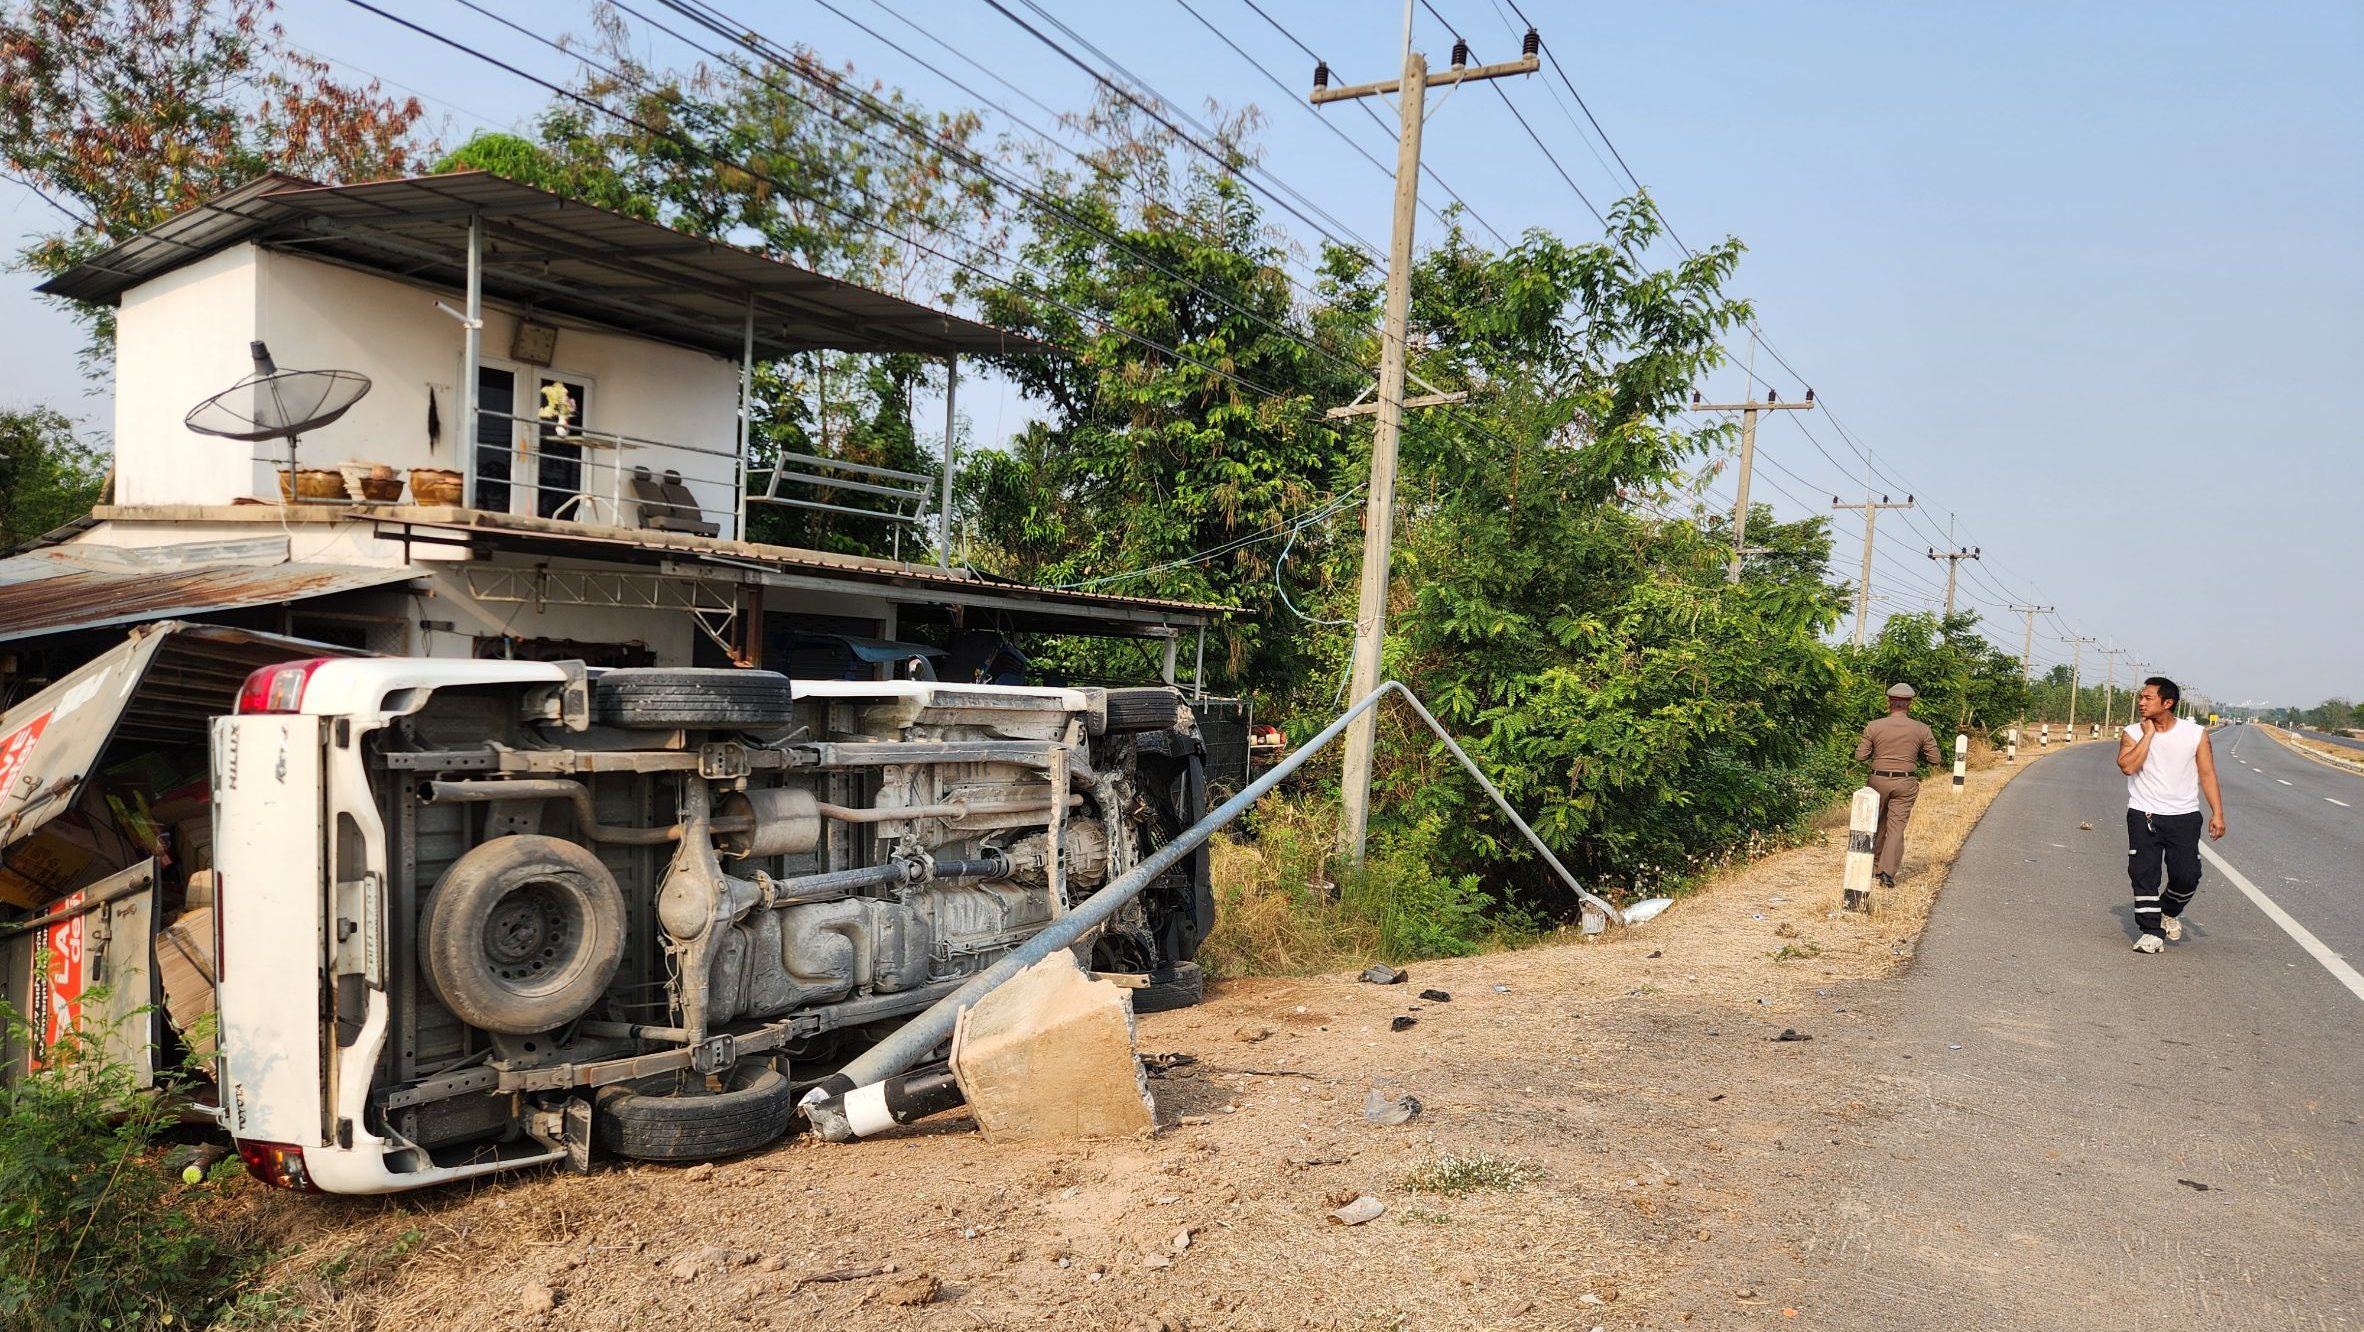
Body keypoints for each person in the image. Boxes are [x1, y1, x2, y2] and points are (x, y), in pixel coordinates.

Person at [2117, 675, 2225, 954]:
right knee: (2143, 873)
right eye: (2140, 697)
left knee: (2188, 875)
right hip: (2144, 813)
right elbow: (2128, 766)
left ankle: (2168, 911)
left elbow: (2207, 773)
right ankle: (2151, 931)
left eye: (2147, 697)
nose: (2141, 702)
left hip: (2184, 815)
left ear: (2168, 702)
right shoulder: (2132, 732)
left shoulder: (2194, 734)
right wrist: (2149, 735)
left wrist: (2217, 813)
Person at [1855, 683, 1943, 889]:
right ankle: (1886, 873)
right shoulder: (1922, 729)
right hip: (1905, 781)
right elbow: (1935, 759)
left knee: (1876, 824)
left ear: (1889, 703)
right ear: (1909, 704)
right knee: (1896, 828)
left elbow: (1860, 756)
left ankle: (1872, 866)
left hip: (1878, 780)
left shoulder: (1874, 726)